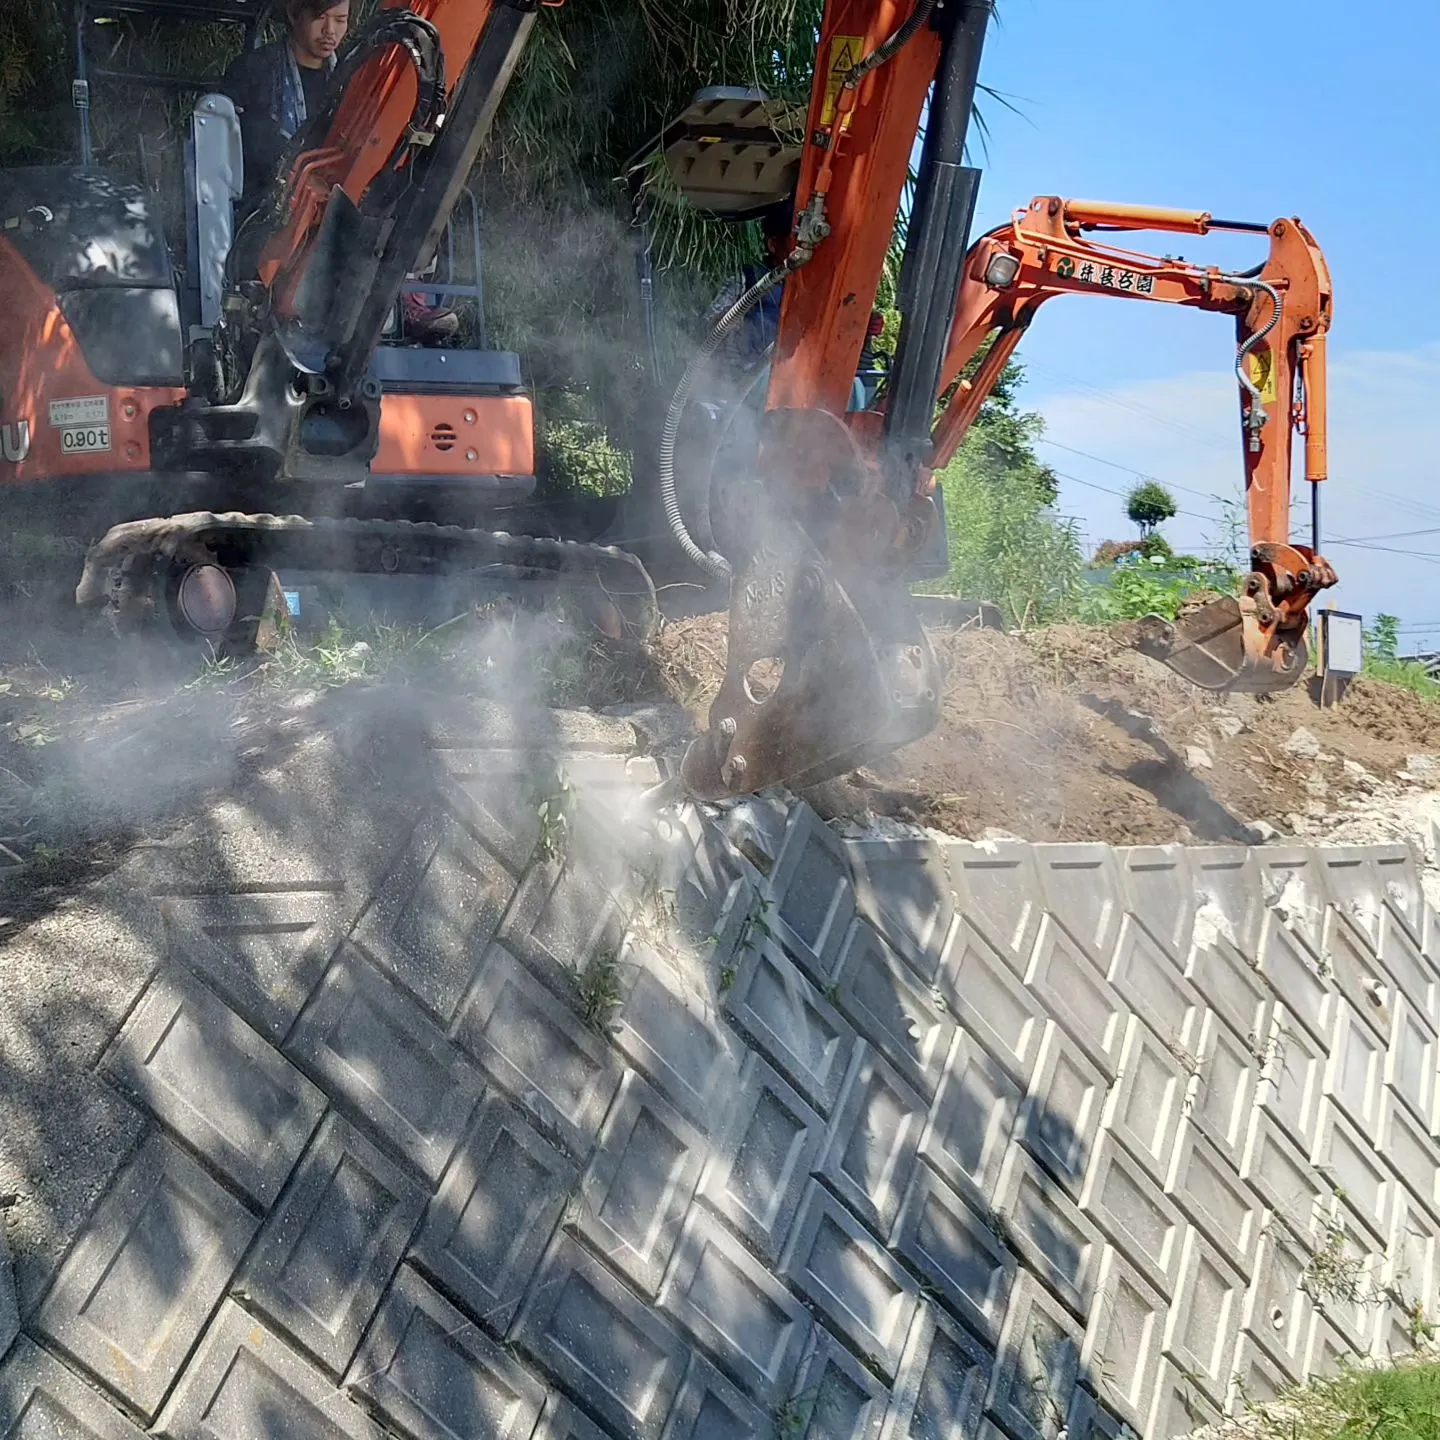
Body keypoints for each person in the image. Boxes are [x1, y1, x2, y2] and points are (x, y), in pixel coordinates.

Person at [221, 0, 457, 342]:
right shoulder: (255, 72)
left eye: (341, 20)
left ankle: (406, 297)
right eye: (320, 18)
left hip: (342, 191)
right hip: (273, 200)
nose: (330, 31)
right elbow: (249, 146)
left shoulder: (360, 76)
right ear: (294, 12)